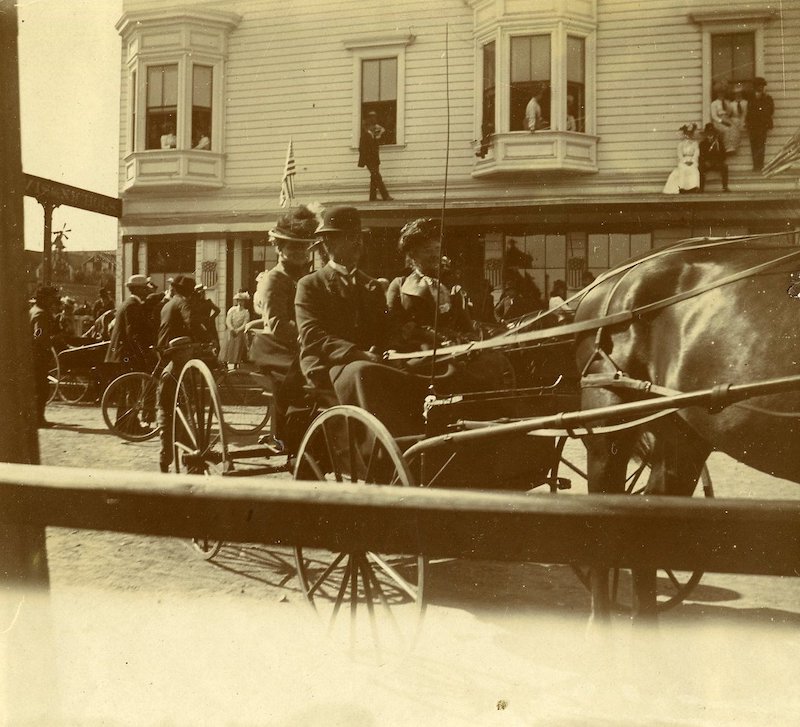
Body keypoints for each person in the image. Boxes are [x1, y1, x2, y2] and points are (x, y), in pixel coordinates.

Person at [386, 218, 472, 351]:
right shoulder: (399, 285)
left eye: (437, 248)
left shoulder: (452, 287)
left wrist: (460, 339)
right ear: (413, 254)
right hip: (416, 353)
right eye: (427, 249)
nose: (435, 255)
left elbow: (467, 328)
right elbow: (393, 326)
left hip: (451, 351)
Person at [156, 275, 203, 472]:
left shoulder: (167, 304)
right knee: (185, 409)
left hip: (164, 357)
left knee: (166, 408)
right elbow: (191, 322)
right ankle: (189, 456)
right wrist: (200, 338)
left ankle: (165, 456)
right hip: (179, 357)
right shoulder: (183, 303)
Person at [105, 274, 157, 372]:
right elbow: (133, 333)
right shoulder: (132, 306)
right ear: (137, 290)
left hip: (120, 356)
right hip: (126, 356)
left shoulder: (128, 303)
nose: (147, 291)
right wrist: (144, 352)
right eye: (145, 288)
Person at [30, 285, 60, 427]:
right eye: (51, 298)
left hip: (34, 356)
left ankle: (36, 418)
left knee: (38, 388)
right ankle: (38, 419)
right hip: (38, 357)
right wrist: (46, 343)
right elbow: (38, 335)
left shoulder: (33, 310)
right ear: (45, 299)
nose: (52, 302)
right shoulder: (41, 314)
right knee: (41, 389)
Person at [357, 111, 392, 201]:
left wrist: (379, 134)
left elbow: (383, 133)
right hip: (369, 160)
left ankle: (372, 197)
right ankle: (385, 196)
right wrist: (365, 160)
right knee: (377, 177)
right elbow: (361, 148)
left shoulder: (374, 135)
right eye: (373, 124)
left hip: (375, 160)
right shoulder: (365, 135)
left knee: (374, 177)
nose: (375, 127)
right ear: (369, 125)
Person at [662, 123, 700, 194]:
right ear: (685, 134)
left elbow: (696, 153)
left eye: (690, 134)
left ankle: (693, 187)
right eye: (687, 134)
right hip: (684, 160)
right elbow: (679, 154)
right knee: (683, 168)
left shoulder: (695, 143)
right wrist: (684, 161)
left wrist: (692, 160)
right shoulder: (681, 144)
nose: (688, 136)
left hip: (692, 160)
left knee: (693, 169)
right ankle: (682, 187)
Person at [747, 77, 774, 172]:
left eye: (762, 86)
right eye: (759, 86)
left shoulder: (767, 98)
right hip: (753, 126)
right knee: (754, 145)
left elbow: (770, 110)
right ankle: (756, 166)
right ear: (755, 87)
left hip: (762, 125)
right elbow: (749, 112)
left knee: (761, 145)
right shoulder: (750, 98)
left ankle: (760, 165)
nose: (761, 88)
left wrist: (760, 104)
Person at [221, 292, 251, 368]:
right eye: (239, 300)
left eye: (242, 301)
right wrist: (231, 328)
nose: (240, 302)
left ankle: (235, 362)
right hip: (231, 331)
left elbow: (245, 323)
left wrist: (238, 330)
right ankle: (225, 362)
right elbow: (228, 320)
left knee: (237, 347)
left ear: (244, 302)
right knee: (228, 346)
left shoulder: (246, 312)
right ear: (237, 301)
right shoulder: (232, 310)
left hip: (239, 332)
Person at [698, 122, 729, 192]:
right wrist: (705, 162)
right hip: (707, 163)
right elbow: (701, 156)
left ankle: (725, 187)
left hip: (716, 163)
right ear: (706, 134)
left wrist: (717, 161)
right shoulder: (702, 144)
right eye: (708, 133)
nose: (710, 135)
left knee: (725, 167)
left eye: (711, 133)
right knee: (700, 168)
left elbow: (723, 155)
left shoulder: (719, 143)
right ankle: (701, 188)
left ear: (714, 133)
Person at [193, 284, 221, 354]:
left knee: (213, 341)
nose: (202, 295)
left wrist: (211, 318)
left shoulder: (208, 302)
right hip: (200, 324)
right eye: (200, 293)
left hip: (208, 323)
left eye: (203, 293)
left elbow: (217, 310)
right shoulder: (195, 303)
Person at [711, 84, 736, 153]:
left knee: (734, 129)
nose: (721, 94)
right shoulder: (714, 103)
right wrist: (721, 121)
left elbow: (730, 112)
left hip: (727, 118)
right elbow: (714, 116)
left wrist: (728, 106)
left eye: (723, 93)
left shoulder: (727, 102)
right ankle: (727, 147)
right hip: (718, 121)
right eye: (720, 93)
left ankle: (732, 146)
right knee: (726, 130)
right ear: (717, 94)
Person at [725, 82, 747, 154]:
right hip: (735, 123)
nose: (738, 95)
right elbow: (728, 116)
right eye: (736, 93)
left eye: (739, 93)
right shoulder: (731, 104)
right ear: (734, 95)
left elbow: (747, 114)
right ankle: (731, 146)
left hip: (744, 122)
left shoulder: (746, 103)